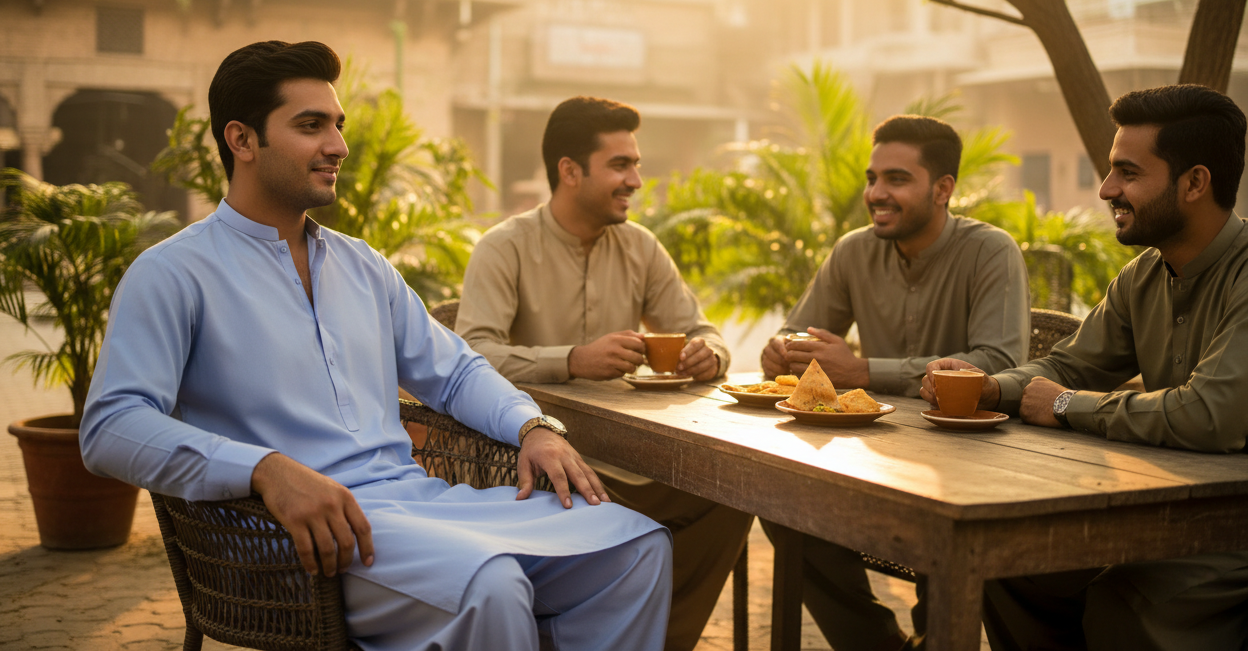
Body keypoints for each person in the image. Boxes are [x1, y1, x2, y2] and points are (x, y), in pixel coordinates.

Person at [80, 41, 672, 651]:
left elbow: (456, 371)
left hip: (416, 505)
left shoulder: (362, 266)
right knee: (489, 585)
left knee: (635, 549)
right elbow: (110, 428)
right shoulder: (174, 273)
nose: (337, 145)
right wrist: (264, 469)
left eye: (337, 125)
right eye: (311, 126)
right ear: (242, 140)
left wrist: (532, 426)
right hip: (287, 539)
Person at [924, 84, 1248, 651]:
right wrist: (990, 387)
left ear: (1195, 183)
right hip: (1161, 508)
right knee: (1009, 569)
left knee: (1123, 605)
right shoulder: (1142, 277)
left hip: (1232, 530)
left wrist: (1068, 406)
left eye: (1127, 172)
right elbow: (1070, 364)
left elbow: (1210, 414)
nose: (1106, 190)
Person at [455, 95, 752, 651]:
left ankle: (660, 638)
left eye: (635, 164)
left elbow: (702, 330)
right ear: (570, 171)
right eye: (621, 165)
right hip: (542, 463)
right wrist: (571, 360)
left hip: (644, 456)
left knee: (736, 490)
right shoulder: (504, 248)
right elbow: (472, 355)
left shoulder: (641, 246)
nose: (636, 179)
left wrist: (708, 354)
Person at [760, 114, 1031, 651]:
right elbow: (802, 328)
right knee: (785, 510)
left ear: (943, 188)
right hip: (876, 456)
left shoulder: (990, 251)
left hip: (972, 467)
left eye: (896, 180)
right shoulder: (854, 250)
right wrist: (784, 349)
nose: (876, 193)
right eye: (871, 178)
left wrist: (863, 371)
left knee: (943, 535)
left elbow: (996, 362)